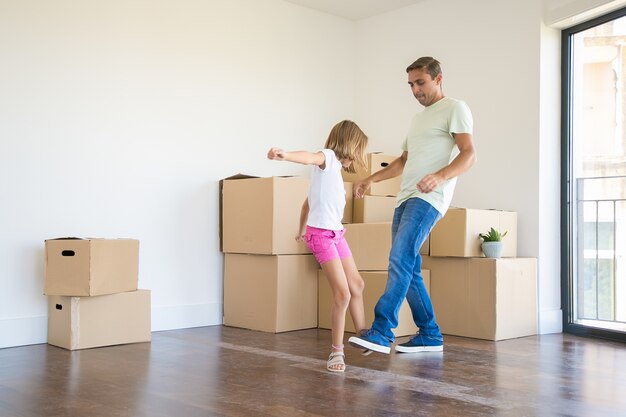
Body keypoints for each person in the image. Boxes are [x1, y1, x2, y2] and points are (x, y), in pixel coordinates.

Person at [348, 56, 476, 354]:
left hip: (429, 198)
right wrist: (371, 179)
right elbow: (403, 161)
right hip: (405, 198)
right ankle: (430, 334)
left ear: (438, 78)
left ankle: (381, 331)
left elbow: (469, 154)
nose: (415, 90)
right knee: (409, 266)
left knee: (399, 258)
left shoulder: (455, 108)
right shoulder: (418, 120)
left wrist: (440, 176)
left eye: (421, 83)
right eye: (411, 85)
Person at [267, 120, 369, 372]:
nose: (360, 157)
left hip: (335, 233)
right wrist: (286, 155)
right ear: (351, 146)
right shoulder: (328, 159)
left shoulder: (333, 174)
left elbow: (306, 204)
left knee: (357, 284)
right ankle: (336, 353)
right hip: (322, 236)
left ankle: (365, 335)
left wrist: (300, 229)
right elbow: (309, 158)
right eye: (360, 150)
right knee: (343, 293)